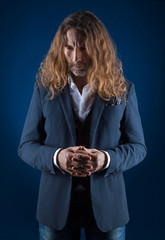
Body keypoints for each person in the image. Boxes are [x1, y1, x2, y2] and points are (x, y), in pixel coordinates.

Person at [18, 11, 147, 240]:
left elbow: (138, 147)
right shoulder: (44, 89)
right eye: (69, 47)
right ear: (62, 49)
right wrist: (57, 157)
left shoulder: (123, 89)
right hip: (55, 211)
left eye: (84, 48)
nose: (75, 57)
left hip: (109, 211)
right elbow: (26, 146)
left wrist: (105, 159)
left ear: (99, 48)